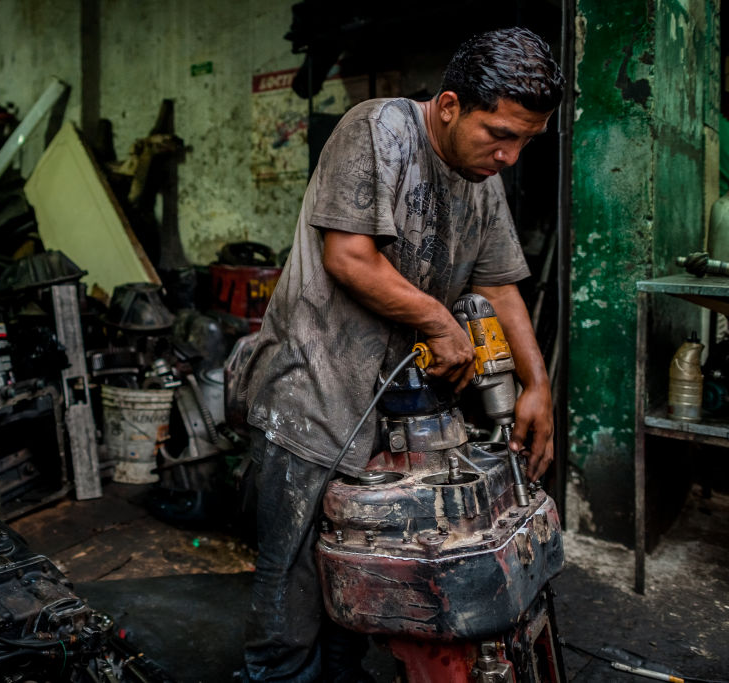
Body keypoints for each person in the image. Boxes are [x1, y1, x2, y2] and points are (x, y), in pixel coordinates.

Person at [236, 27, 565, 682]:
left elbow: (498, 283)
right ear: (449, 107)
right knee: (290, 611)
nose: (510, 154)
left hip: (394, 413)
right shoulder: (377, 129)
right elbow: (348, 256)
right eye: (498, 133)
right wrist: (439, 319)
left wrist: (537, 386)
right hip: (311, 398)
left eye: (525, 140)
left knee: (355, 596)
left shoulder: (481, 174)